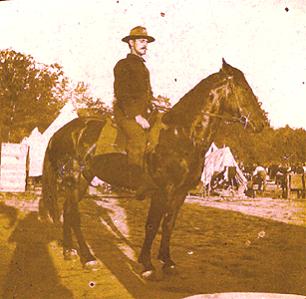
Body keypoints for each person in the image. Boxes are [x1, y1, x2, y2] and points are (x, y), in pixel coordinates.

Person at [113, 26, 156, 199]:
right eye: (141, 41)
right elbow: (122, 93)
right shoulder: (123, 65)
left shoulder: (143, 67)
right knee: (138, 137)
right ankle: (134, 182)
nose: (145, 44)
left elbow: (147, 92)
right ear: (131, 43)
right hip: (126, 113)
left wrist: (154, 102)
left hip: (144, 112)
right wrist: (136, 116)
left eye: (146, 41)